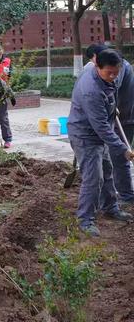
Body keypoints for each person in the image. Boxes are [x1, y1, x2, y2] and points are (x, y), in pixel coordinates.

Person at [68, 49, 134, 236]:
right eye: (109, 73)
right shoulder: (91, 91)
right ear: (98, 66)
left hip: (97, 132)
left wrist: (112, 108)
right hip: (85, 135)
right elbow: (102, 128)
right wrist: (123, 149)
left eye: (116, 72)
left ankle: (110, 207)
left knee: (107, 170)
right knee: (93, 177)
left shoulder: (102, 74)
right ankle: (85, 219)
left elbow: (108, 102)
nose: (113, 76)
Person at [109, 57, 134, 203]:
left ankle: (127, 195)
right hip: (124, 116)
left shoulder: (121, 66)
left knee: (121, 155)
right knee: (118, 155)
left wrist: (111, 104)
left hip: (126, 118)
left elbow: (113, 86)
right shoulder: (121, 64)